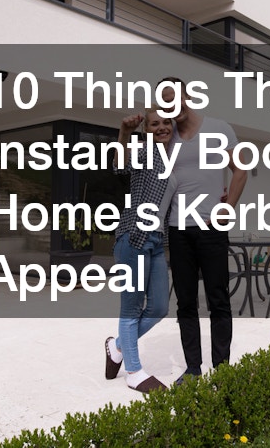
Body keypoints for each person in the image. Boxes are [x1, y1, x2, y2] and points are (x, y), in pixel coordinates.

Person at [160, 77, 248, 384]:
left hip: (211, 230)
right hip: (177, 229)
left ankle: (221, 368)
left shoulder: (219, 128)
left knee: (218, 299)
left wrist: (228, 207)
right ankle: (194, 368)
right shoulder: (166, 138)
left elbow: (241, 169)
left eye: (175, 97)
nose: (172, 106)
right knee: (185, 302)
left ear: (187, 95)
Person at [104, 108, 176, 393]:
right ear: (146, 130)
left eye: (166, 122)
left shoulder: (175, 158)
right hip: (133, 236)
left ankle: (117, 346)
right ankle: (133, 370)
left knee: (159, 307)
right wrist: (124, 134)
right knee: (131, 308)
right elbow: (120, 166)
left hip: (157, 241)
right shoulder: (146, 151)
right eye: (154, 124)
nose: (161, 127)